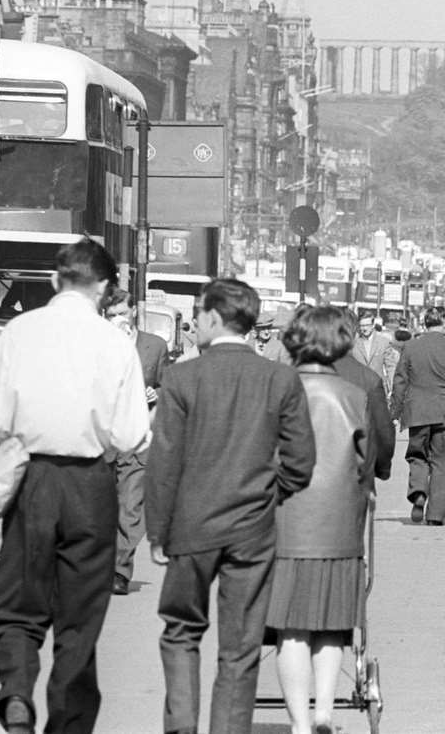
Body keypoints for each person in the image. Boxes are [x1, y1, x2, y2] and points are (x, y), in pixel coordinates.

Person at [0, 238, 149, 734]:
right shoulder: (115, 343)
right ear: (104, 288)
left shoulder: (20, 332)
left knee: (19, 600)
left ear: (53, 280)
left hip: (31, 479)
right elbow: (130, 436)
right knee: (80, 616)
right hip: (91, 485)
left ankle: (17, 690)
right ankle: (68, 720)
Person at [146, 278, 317, 734]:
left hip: (190, 526)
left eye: (200, 315)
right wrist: (268, 493)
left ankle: (181, 726)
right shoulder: (279, 378)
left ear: (214, 318)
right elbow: (301, 462)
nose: (196, 324)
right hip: (252, 527)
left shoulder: (181, 378)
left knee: (181, 630)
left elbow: (163, 462)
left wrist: (157, 531)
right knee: (240, 647)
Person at [267, 306, 372, 734]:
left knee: (290, 628)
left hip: (287, 521)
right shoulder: (355, 396)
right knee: (332, 626)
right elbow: (366, 465)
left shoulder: (276, 392)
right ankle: (325, 710)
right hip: (339, 525)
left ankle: (299, 722)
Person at [101, 285, 171, 596]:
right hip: (102, 437)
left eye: (122, 313)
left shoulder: (154, 346)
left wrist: (158, 392)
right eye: (111, 314)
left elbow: (169, 385)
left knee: (130, 507)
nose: (119, 319)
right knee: (101, 507)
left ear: (133, 312)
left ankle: (120, 570)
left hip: (138, 437)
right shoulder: (95, 346)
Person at [391, 306, 445, 526]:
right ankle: (436, 515)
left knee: (417, 455)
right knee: (444, 462)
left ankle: (418, 491)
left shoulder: (410, 347)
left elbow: (399, 382)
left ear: (425, 323)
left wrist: (395, 412)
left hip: (417, 410)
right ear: (444, 322)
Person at [331, 311, 396, 485]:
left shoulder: (308, 372)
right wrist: (382, 467)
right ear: (354, 334)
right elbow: (383, 431)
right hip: (356, 468)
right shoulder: (369, 379)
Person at [351, 314, 392, 381]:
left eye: (367, 325)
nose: (364, 328)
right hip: (360, 386)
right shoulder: (354, 343)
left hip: (378, 385)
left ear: (373, 325)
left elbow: (390, 367)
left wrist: (391, 385)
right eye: (362, 326)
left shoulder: (383, 342)